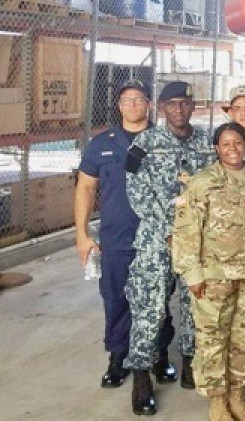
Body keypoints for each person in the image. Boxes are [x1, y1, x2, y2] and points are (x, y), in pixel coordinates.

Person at [172, 122, 245, 421]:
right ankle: (217, 402)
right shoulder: (202, 183)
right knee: (212, 338)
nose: (233, 148)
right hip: (213, 275)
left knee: (244, 338)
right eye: (226, 144)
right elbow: (186, 231)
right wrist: (191, 274)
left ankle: (237, 396)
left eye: (238, 142)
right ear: (217, 148)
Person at [124, 80, 216, 415]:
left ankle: (191, 360)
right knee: (149, 308)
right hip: (155, 242)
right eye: (173, 103)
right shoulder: (143, 143)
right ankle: (141, 375)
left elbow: (217, 188)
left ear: (193, 107)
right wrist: (168, 233)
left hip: (199, 241)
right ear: (162, 107)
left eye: (185, 104)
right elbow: (135, 192)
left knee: (197, 303)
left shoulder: (208, 143)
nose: (179, 109)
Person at [75, 80, 157, 389]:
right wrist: (82, 235)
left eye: (139, 99)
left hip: (157, 239)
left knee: (156, 301)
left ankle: (157, 355)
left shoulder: (162, 140)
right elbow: (84, 187)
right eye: (127, 100)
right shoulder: (101, 143)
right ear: (119, 105)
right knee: (116, 298)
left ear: (148, 104)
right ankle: (118, 356)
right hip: (117, 239)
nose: (133, 104)